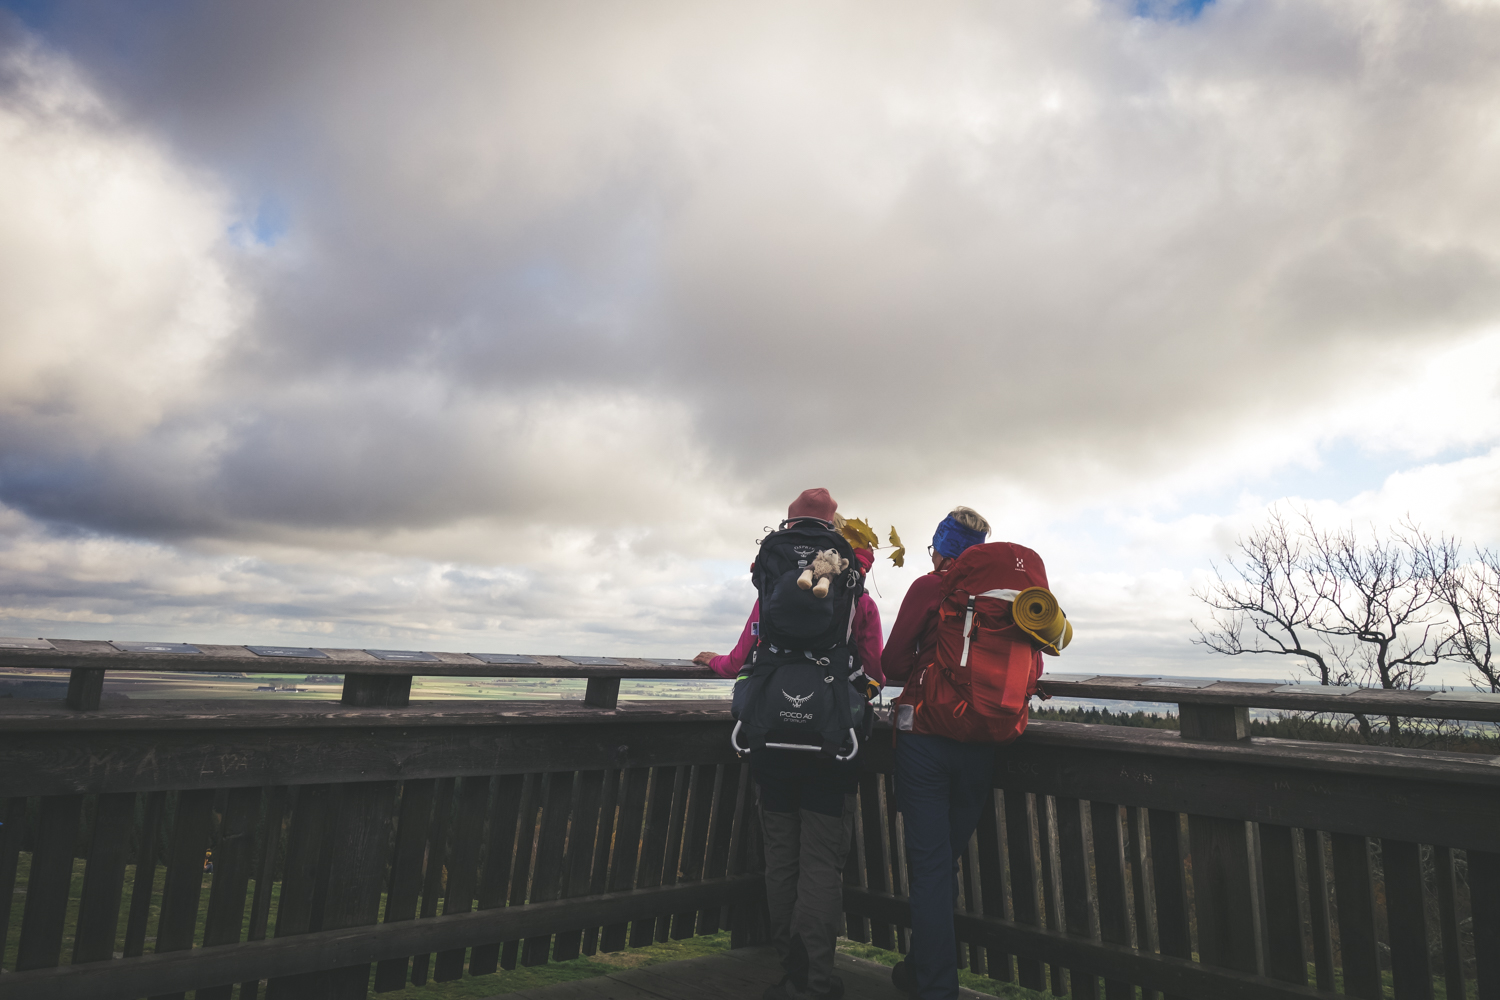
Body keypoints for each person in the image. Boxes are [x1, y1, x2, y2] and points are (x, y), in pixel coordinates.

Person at [694, 488, 884, 1000]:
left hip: (769, 736)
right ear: (834, 529)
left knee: (781, 858)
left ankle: (787, 966)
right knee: (821, 862)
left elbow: (740, 659)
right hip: (831, 741)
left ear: (788, 524)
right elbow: (876, 670)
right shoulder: (855, 591)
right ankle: (812, 979)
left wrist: (712, 662)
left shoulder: (772, 585)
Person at [881, 506, 1044, 1000]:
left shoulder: (930, 588)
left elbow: (892, 663)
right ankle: (920, 970)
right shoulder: (1008, 598)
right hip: (984, 739)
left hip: (926, 738)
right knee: (944, 859)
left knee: (931, 866)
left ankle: (936, 987)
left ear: (940, 549)